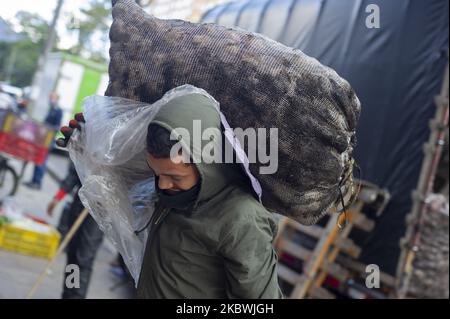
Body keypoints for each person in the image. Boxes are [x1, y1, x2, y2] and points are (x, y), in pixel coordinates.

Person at [57, 92, 283, 299]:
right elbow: (115, 180)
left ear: (207, 161)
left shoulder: (240, 218)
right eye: (157, 173)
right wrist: (87, 148)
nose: (163, 184)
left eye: (174, 177)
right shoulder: (171, 198)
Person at [47, 163, 104, 299]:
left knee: (83, 258)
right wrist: (58, 197)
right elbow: (76, 168)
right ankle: (67, 295)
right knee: (72, 255)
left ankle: (76, 296)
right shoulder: (89, 142)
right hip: (80, 202)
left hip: (101, 210)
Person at [23, 92, 63, 190]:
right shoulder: (51, 109)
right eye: (50, 97)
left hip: (48, 141)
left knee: (41, 161)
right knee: (38, 160)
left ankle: (37, 182)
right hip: (43, 140)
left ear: (57, 99)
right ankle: (33, 181)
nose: (51, 99)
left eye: (52, 98)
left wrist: (47, 127)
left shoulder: (58, 110)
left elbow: (56, 127)